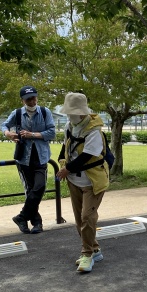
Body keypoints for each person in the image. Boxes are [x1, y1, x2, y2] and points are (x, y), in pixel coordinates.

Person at [57, 92, 110, 273]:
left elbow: (87, 156)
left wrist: (67, 169)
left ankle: (87, 254)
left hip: (92, 181)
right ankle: (94, 250)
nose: (69, 116)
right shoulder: (69, 126)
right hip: (74, 180)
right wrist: (62, 164)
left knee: (87, 217)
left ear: (82, 113)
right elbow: (65, 147)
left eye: (72, 113)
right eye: (68, 112)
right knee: (80, 219)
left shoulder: (93, 131)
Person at [2, 85, 56, 234]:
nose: (32, 101)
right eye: (28, 99)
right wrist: (8, 133)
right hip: (23, 158)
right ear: (23, 100)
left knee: (39, 187)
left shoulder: (45, 112)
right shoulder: (17, 113)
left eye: (33, 98)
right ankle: (36, 223)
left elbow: (52, 133)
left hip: (41, 156)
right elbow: (4, 125)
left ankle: (22, 217)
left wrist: (32, 134)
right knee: (31, 190)